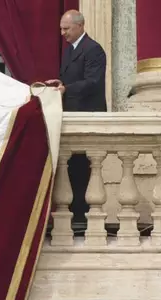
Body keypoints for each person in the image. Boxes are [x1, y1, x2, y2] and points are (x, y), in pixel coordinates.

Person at [46, 10, 107, 227]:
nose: (62, 33)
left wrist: (66, 89)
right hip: (71, 115)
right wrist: (59, 84)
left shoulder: (93, 50)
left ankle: (83, 221)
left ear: (80, 26)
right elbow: (70, 79)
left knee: (83, 170)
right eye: (61, 28)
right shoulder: (70, 50)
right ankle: (74, 218)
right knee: (71, 169)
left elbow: (93, 82)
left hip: (88, 116)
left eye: (66, 28)